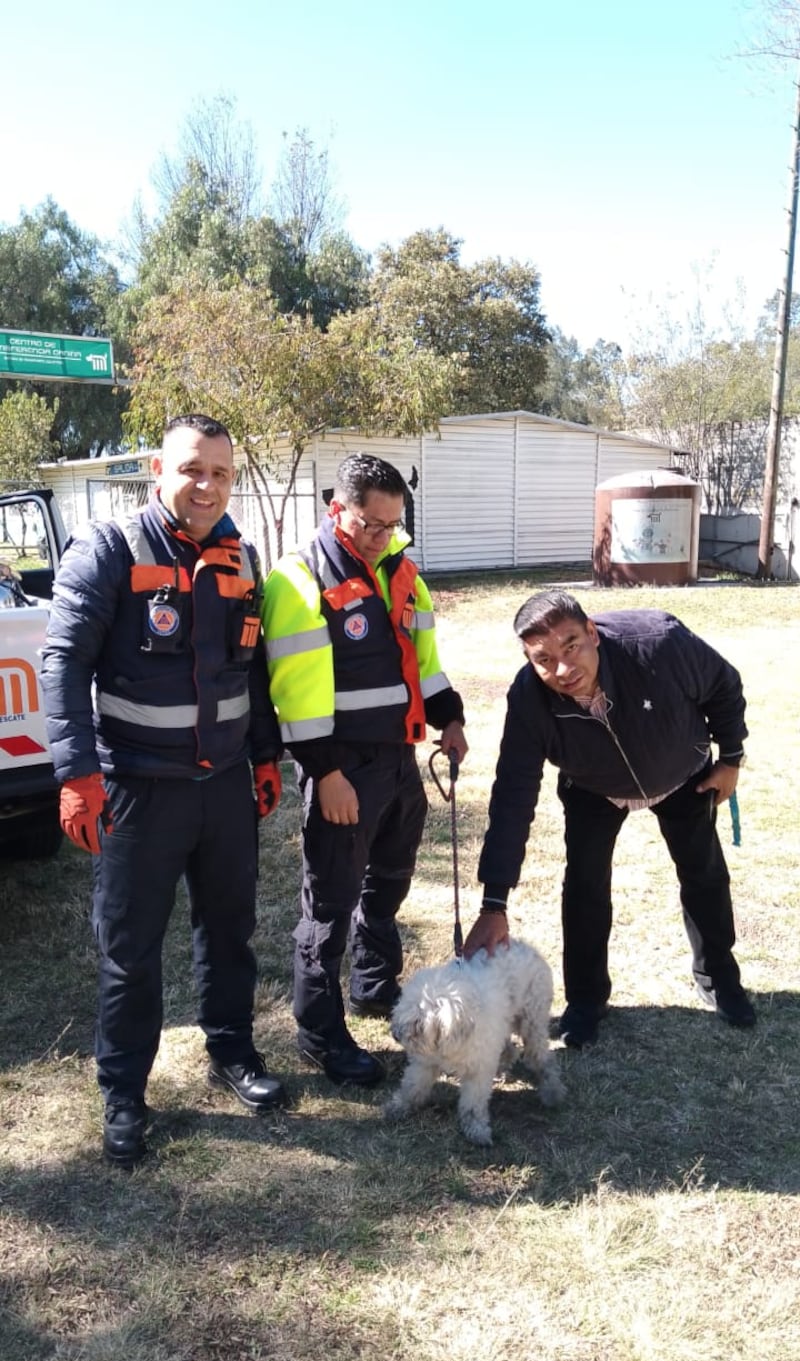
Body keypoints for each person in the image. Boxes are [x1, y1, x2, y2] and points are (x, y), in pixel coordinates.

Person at [41, 414, 287, 1168]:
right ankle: (123, 1093)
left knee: (229, 931)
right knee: (130, 952)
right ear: (159, 469)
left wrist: (267, 755)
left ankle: (233, 1051)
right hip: (136, 791)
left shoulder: (241, 553)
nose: (206, 485)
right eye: (192, 469)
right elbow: (61, 663)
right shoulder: (110, 548)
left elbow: (252, 667)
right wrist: (75, 774)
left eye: (220, 472)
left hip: (224, 789)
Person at [462, 588, 755, 1048]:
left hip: (681, 772)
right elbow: (513, 795)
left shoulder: (659, 642)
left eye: (571, 646)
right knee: (584, 888)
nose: (561, 669)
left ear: (592, 633)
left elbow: (724, 685)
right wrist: (494, 903)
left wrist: (731, 758)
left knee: (704, 875)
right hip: (594, 787)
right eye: (543, 659)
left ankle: (719, 978)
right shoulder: (529, 698)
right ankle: (585, 1002)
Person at [262, 452, 468, 1086]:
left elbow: (424, 662)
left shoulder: (403, 572)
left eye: (393, 525)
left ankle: (374, 986)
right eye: (370, 524)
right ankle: (318, 1033)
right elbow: (292, 690)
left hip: (399, 762)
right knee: (329, 903)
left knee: (390, 881)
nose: (383, 536)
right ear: (337, 509)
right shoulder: (299, 577)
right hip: (343, 767)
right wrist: (325, 773)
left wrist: (450, 716)